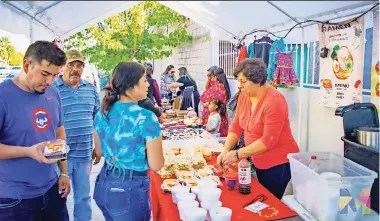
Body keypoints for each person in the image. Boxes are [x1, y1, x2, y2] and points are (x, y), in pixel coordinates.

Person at [0, 41, 70, 220]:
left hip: (52, 189)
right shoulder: (3, 96)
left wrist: (63, 172)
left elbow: (59, 133)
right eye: (45, 73)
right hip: (14, 198)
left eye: (55, 75)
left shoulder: (53, 93)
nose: (50, 81)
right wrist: (28, 152)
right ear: (26, 65)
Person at [217, 58, 299, 199]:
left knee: (268, 201)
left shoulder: (274, 101)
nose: (239, 86)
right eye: (238, 82)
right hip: (258, 160)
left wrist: (237, 154)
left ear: (257, 80)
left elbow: (268, 141)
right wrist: (225, 150)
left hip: (278, 163)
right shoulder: (244, 96)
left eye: (243, 82)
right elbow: (236, 126)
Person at [92, 62, 164, 221]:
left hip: (103, 185)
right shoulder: (146, 117)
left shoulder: (102, 113)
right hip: (128, 192)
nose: (148, 84)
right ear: (132, 85)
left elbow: (100, 151)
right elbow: (157, 164)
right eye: (145, 80)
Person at [53, 50, 100, 221]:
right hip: (58, 156)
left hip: (84, 153)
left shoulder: (91, 90)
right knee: (59, 197)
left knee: (83, 196)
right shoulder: (51, 90)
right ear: (62, 67)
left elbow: (97, 120)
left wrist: (98, 146)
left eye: (79, 65)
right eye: (71, 64)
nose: (75, 69)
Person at [200, 67, 231, 136]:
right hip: (211, 112)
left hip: (215, 113)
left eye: (211, 76)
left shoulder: (219, 86)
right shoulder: (216, 85)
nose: (210, 79)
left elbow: (215, 100)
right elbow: (206, 88)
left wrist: (205, 104)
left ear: (215, 76)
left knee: (214, 134)